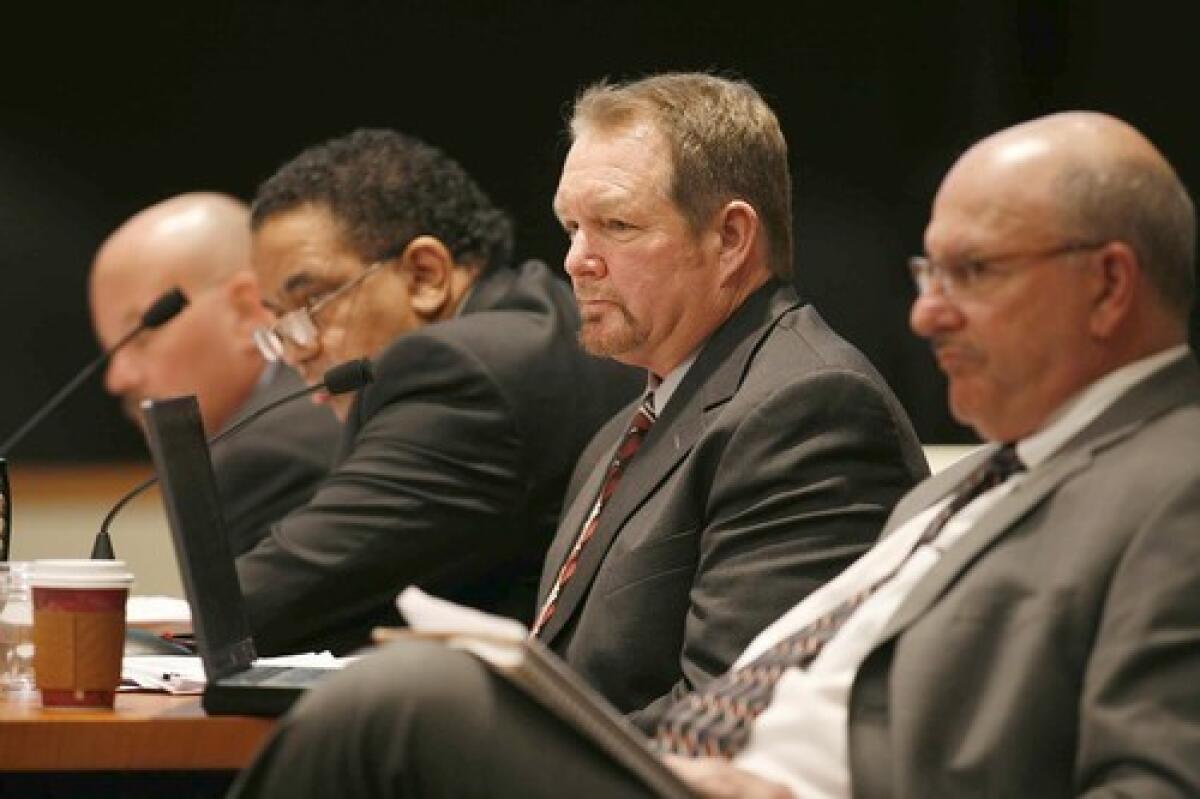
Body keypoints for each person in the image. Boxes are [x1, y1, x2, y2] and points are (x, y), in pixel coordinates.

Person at [228, 110, 1200, 798]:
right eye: (927, 270)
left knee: (410, 700)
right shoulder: (983, 483)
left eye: (973, 272)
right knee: (407, 697)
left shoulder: (1168, 481)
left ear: (1110, 286)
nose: (926, 311)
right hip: (700, 768)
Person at [235, 129, 641, 656]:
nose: (297, 351)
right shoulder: (538, 317)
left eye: (311, 304)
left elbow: (262, 605)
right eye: (281, 323)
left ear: (426, 275)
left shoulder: (456, 375)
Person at [89, 193, 340, 556]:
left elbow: (239, 615)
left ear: (246, 311)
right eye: (110, 349)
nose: (117, 378)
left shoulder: (263, 456)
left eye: (140, 337)